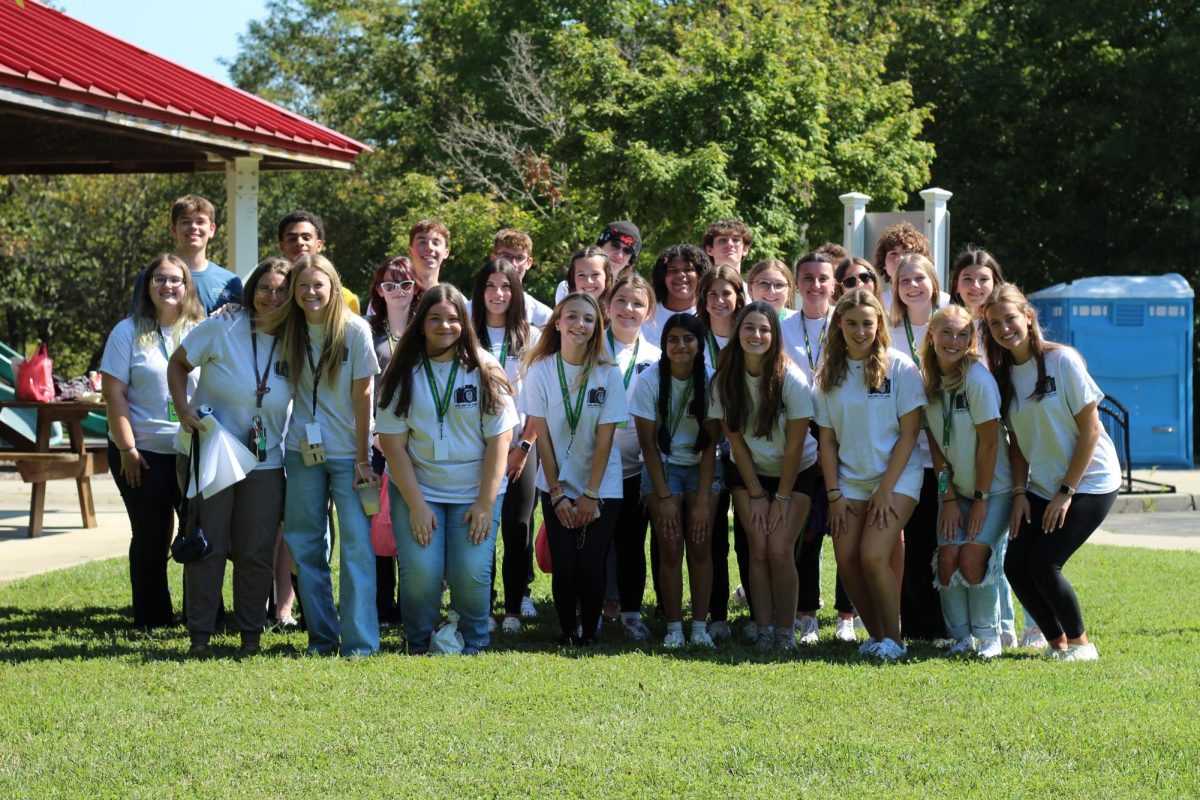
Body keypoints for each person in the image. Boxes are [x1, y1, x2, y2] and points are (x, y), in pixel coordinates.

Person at [983, 285, 1121, 661]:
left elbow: (1091, 429)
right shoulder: (1003, 375)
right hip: (1042, 486)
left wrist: (1065, 491)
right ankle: (1057, 644)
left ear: (1027, 315)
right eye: (994, 323)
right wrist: (1019, 494)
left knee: (1045, 564)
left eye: (1010, 318)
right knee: (1015, 564)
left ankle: (1081, 645)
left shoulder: (1063, 361)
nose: (1004, 328)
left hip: (1090, 481)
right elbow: (1017, 443)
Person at [376, 285, 516, 654]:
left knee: (470, 574)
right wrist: (417, 506)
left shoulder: (484, 367)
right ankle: (421, 642)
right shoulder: (403, 369)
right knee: (421, 573)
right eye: (435, 318)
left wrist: (485, 504)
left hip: (476, 492)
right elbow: (393, 444)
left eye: (453, 318)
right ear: (421, 323)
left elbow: (499, 441)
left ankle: (473, 641)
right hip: (419, 489)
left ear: (464, 323)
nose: (445, 326)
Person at [166, 257, 293, 656]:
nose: (271, 296)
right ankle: (200, 637)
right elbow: (179, 363)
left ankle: (250, 637)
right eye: (264, 288)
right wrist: (182, 407)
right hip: (214, 452)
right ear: (250, 290)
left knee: (256, 550)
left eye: (280, 290)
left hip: (265, 459)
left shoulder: (298, 336)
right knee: (209, 545)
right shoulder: (225, 325)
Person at [271, 254, 381, 657]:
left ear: (334, 287)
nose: (310, 292)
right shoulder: (289, 329)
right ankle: (321, 636)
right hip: (302, 451)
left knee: (355, 547)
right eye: (302, 286)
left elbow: (363, 395)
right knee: (304, 545)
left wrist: (362, 457)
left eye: (318, 285)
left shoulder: (355, 330)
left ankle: (360, 643)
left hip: (349, 455)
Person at [814, 289, 925, 661]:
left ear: (879, 323)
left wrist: (885, 490)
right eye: (851, 323)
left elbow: (910, 434)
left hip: (897, 479)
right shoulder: (828, 373)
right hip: (849, 482)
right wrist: (833, 493)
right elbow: (826, 441)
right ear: (838, 326)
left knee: (873, 556)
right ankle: (879, 636)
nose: (860, 331)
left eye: (867, 323)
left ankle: (895, 638)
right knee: (846, 559)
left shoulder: (900, 367)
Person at [101, 253, 204, 628]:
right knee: (150, 534)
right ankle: (152, 616)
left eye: (175, 279)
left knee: (196, 530)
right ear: (148, 287)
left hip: (191, 449)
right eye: (159, 279)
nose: (168, 286)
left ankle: (201, 612)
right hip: (141, 451)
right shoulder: (126, 332)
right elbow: (114, 395)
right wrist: (127, 448)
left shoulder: (201, 329)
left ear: (187, 286)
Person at [520, 292, 626, 645]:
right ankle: (567, 630)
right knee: (565, 564)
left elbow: (605, 439)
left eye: (589, 319)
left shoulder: (608, 374)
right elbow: (542, 437)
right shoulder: (540, 371)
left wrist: (591, 496)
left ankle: (591, 632)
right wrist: (558, 493)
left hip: (602, 485)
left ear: (598, 327)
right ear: (558, 323)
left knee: (590, 565)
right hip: (555, 482)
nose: (580, 324)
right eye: (572, 317)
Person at [712, 302, 818, 650]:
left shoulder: (792, 379)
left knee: (779, 548)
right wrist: (757, 494)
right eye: (748, 328)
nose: (756, 335)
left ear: (775, 336)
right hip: (750, 473)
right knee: (757, 548)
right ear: (737, 331)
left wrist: (782, 498)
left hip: (796, 471)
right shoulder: (724, 378)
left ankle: (785, 632)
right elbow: (735, 442)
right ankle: (763, 628)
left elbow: (795, 447)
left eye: (764, 329)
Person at [947, 247, 1029, 648]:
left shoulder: (1004, 325)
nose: (976, 286)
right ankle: (1001, 625)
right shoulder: (954, 328)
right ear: (956, 286)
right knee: (985, 545)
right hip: (972, 450)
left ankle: (1026, 625)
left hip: (1011, 443)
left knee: (1008, 543)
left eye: (984, 278)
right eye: (967, 279)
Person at [919, 305, 1012, 659]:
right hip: (956, 490)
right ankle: (960, 638)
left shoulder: (977, 380)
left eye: (962, 334)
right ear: (931, 335)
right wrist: (946, 498)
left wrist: (982, 499)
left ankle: (988, 637)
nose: (954, 341)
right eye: (947, 332)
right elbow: (937, 448)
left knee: (972, 558)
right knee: (947, 558)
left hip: (993, 490)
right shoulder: (928, 379)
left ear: (971, 340)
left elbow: (990, 444)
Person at [779, 251, 854, 643]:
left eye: (822, 278)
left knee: (844, 528)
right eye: (806, 278)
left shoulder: (843, 324)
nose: (814, 285)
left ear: (833, 285)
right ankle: (805, 613)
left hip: (842, 436)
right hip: (799, 436)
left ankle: (846, 616)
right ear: (796, 283)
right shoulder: (782, 324)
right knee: (806, 532)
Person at [633, 313, 720, 647]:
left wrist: (701, 502)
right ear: (664, 344)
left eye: (688, 339)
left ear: (699, 344)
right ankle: (673, 628)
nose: (680, 345)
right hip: (663, 468)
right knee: (669, 546)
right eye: (673, 339)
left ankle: (699, 628)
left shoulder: (711, 381)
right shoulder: (650, 380)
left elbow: (711, 446)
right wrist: (665, 497)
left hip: (702, 468)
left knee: (700, 545)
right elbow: (648, 445)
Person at [469, 258, 542, 633]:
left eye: (506, 287)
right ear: (480, 292)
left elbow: (538, 399)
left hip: (520, 447)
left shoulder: (532, 337)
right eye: (490, 286)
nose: (498, 294)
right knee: (478, 527)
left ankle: (513, 607)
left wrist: (524, 447)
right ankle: (479, 605)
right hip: (474, 449)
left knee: (518, 526)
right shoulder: (466, 333)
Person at [888, 253, 946, 640]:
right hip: (908, 454)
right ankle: (915, 626)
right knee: (915, 543)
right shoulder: (890, 331)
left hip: (949, 450)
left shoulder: (952, 325)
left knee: (946, 541)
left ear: (933, 282)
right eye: (904, 280)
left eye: (919, 279)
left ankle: (950, 626)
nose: (912, 286)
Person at [602, 273, 660, 640]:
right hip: (594, 466)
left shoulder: (656, 358)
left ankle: (631, 615)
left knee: (631, 544)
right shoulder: (590, 351)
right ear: (607, 306)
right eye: (621, 301)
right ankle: (591, 610)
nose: (628, 309)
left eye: (638, 303)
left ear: (650, 312)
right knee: (594, 543)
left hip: (637, 468)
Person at [367, 255, 424, 626]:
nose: (398, 291)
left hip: (416, 443)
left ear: (416, 288)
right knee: (376, 521)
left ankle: (412, 604)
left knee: (410, 521)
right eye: (389, 284)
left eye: (405, 284)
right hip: (375, 442)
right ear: (379, 290)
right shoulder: (366, 332)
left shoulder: (427, 331)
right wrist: (374, 432)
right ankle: (381, 606)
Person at [695, 265, 746, 641]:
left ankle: (759, 611)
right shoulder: (694, 336)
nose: (719, 301)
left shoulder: (751, 333)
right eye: (712, 295)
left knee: (746, 534)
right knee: (713, 535)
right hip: (709, 450)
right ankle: (716, 614)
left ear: (738, 297)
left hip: (748, 450)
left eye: (726, 294)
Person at [130, 195, 241, 315]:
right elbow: (137, 326)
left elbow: (243, 327)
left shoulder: (230, 282)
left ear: (212, 229)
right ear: (174, 229)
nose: (193, 227)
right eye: (186, 222)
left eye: (200, 222)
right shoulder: (151, 278)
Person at [277, 209, 360, 314]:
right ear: (282, 247)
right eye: (292, 239)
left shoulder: (344, 297)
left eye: (306, 238)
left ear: (319, 245)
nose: (299, 242)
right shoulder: (274, 296)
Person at [555, 221, 642, 303]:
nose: (619, 255)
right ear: (600, 247)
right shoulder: (567, 289)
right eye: (615, 246)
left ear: (629, 261)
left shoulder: (628, 296)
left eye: (627, 251)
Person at [643, 244, 712, 345]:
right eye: (672, 270)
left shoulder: (710, 314)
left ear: (700, 275)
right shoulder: (647, 314)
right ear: (663, 277)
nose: (680, 275)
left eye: (688, 269)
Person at [491, 228, 553, 326]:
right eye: (506, 256)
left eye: (519, 258)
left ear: (529, 263)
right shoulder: (469, 312)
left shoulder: (543, 317)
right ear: (494, 259)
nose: (513, 264)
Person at [873, 221, 932, 310]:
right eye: (893, 253)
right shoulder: (876, 305)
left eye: (907, 253)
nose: (900, 259)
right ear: (883, 263)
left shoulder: (944, 303)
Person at [408, 219, 452, 290]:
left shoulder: (456, 300)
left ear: (446, 253)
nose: (429, 247)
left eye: (436, 243)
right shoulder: (395, 296)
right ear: (410, 251)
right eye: (422, 242)